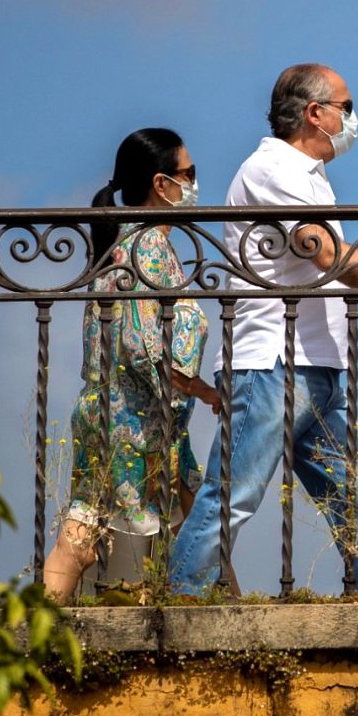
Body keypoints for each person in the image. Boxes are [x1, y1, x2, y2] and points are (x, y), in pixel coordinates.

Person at [169, 63, 358, 595]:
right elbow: (331, 258)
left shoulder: (307, 174)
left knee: (357, 498)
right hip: (271, 368)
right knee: (231, 496)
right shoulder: (273, 171)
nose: (353, 120)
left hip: (313, 369)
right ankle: (175, 612)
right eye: (346, 108)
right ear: (315, 113)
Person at [44, 128, 222, 602]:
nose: (195, 184)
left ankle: (27, 641)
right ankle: (231, 637)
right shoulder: (148, 247)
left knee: (97, 529)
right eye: (189, 174)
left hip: (117, 413)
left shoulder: (121, 242)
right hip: (137, 421)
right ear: (161, 184)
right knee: (196, 527)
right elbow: (143, 342)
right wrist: (200, 389)